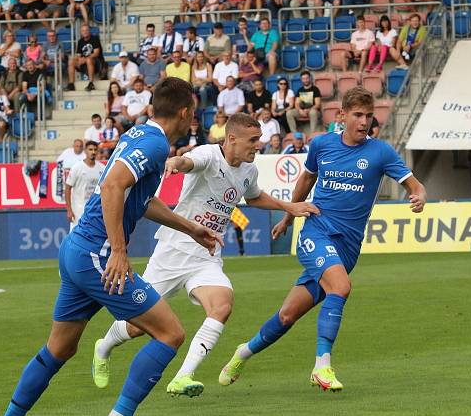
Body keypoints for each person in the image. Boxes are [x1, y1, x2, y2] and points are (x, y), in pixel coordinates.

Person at [0, 78, 222, 416]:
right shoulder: (156, 143)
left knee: (60, 347)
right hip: (97, 254)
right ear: (184, 112)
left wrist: (189, 226)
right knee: (171, 333)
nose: (193, 118)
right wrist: (119, 250)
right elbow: (112, 187)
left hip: (77, 250)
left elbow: (138, 199)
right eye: (192, 112)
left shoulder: (140, 135)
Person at [93, 113, 319, 397]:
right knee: (138, 327)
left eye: (259, 139)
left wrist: (289, 207)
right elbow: (188, 161)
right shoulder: (208, 154)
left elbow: (253, 196)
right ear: (232, 139)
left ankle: (183, 376)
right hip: (173, 252)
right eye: (253, 140)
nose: (258, 145)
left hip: (206, 255)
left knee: (222, 304)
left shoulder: (249, 170)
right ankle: (103, 346)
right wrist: (175, 162)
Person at [219, 87, 426, 392]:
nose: (364, 121)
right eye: (357, 115)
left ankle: (243, 352)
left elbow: (414, 185)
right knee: (340, 287)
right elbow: (306, 180)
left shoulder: (381, 153)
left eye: (369, 116)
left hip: (348, 247)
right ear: (342, 115)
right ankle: (322, 365)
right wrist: (290, 215)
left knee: (288, 315)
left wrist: (419, 197)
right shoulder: (322, 145)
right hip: (316, 232)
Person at [65, 140, 103, 230]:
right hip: (79, 210)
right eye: (90, 149)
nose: (93, 152)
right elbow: (67, 188)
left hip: (96, 210)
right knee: (77, 236)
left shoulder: (102, 168)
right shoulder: (77, 167)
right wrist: (69, 210)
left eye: (95, 149)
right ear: (85, 151)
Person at [66, 24, 104, 92]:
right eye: (83, 31)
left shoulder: (95, 39)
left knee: (89, 60)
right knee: (71, 61)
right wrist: (79, 59)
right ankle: (71, 84)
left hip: (97, 63)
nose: (85, 32)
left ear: (89, 31)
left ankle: (91, 83)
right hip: (85, 64)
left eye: (86, 30)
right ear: (81, 32)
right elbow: (78, 55)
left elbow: (96, 53)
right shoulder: (80, 41)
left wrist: (85, 59)